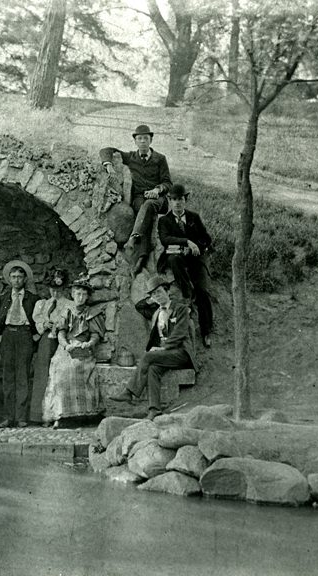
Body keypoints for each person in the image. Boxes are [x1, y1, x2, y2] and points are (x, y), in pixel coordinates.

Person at [110, 275, 197, 419]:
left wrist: (163, 348)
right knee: (152, 369)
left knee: (148, 356)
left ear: (167, 291)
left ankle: (129, 392)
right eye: (154, 294)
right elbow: (141, 307)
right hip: (166, 355)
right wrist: (157, 348)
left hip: (181, 353)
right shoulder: (156, 313)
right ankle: (154, 410)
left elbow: (180, 333)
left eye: (159, 292)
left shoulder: (181, 309)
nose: (157, 295)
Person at [99, 124, 173, 275]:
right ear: (135, 141)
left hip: (158, 200)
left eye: (146, 138)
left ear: (151, 140)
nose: (143, 142)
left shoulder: (160, 159)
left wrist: (157, 190)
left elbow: (168, 183)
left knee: (149, 205)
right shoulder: (130, 157)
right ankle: (141, 259)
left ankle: (133, 239)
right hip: (139, 198)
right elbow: (106, 150)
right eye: (139, 139)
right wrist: (108, 165)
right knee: (143, 211)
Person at [42, 277, 105, 429]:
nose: (80, 297)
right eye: (77, 294)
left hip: (84, 349)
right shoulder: (66, 311)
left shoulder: (92, 313)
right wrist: (65, 345)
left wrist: (88, 343)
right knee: (61, 370)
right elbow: (61, 333)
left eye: (84, 294)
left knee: (80, 368)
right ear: (72, 294)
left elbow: (95, 335)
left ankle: (85, 414)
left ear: (88, 297)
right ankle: (60, 415)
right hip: (67, 348)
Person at [157, 184, 214, 348]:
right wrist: (186, 242)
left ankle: (206, 331)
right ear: (170, 201)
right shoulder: (165, 220)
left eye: (180, 199)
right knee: (174, 260)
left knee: (203, 291)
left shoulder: (194, 217)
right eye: (174, 199)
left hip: (195, 258)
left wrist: (197, 246)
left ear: (185, 200)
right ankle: (187, 291)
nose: (177, 203)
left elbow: (206, 238)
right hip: (177, 257)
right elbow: (165, 239)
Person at [0, 260, 40, 428]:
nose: (16, 280)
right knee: (8, 377)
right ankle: (8, 417)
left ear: (24, 280)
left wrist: (37, 334)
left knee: (22, 376)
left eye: (19, 277)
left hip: (25, 336)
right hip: (7, 337)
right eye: (13, 277)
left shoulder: (33, 299)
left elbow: (43, 318)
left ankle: (21, 417)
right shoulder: (4, 298)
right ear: (9, 279)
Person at [29, 268, 72, 424]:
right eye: (52, 290)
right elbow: (37, 323)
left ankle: (59, 414)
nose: (55, 293)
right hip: (46, 341)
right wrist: (44, 324)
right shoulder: (43, 304)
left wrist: (61, 325)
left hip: (62, 341)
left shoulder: (70, 304)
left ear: (64, 288)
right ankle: (39, 414)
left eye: (58, 290)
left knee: (58, 376)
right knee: (42, 374)